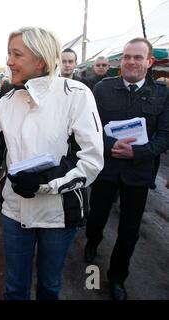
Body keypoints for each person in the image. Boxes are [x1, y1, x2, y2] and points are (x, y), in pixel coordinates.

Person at [0, 27, 104, 300]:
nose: (9, 61)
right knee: (14, 288)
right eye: (9, 53)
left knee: (49, 288)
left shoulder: (76, 94)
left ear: (40, 60)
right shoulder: (5, 101)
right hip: (14, 210)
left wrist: (43, 182)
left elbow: (91, 160)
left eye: (16, 54)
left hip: (58, 214)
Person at [84, 38, 169, 300]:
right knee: (97, 216)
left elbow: (165, 136)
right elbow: (89, 130)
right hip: (106, 169)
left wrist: (138, 152)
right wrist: (111, 144)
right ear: (120, 61)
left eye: (137, 57)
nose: (131, 62)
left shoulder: (162, 94)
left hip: (138, 174)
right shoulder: (102, 89)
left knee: (129, 231)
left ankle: (117, 278)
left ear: (149, 62)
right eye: (127, 57)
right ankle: (92, 243)